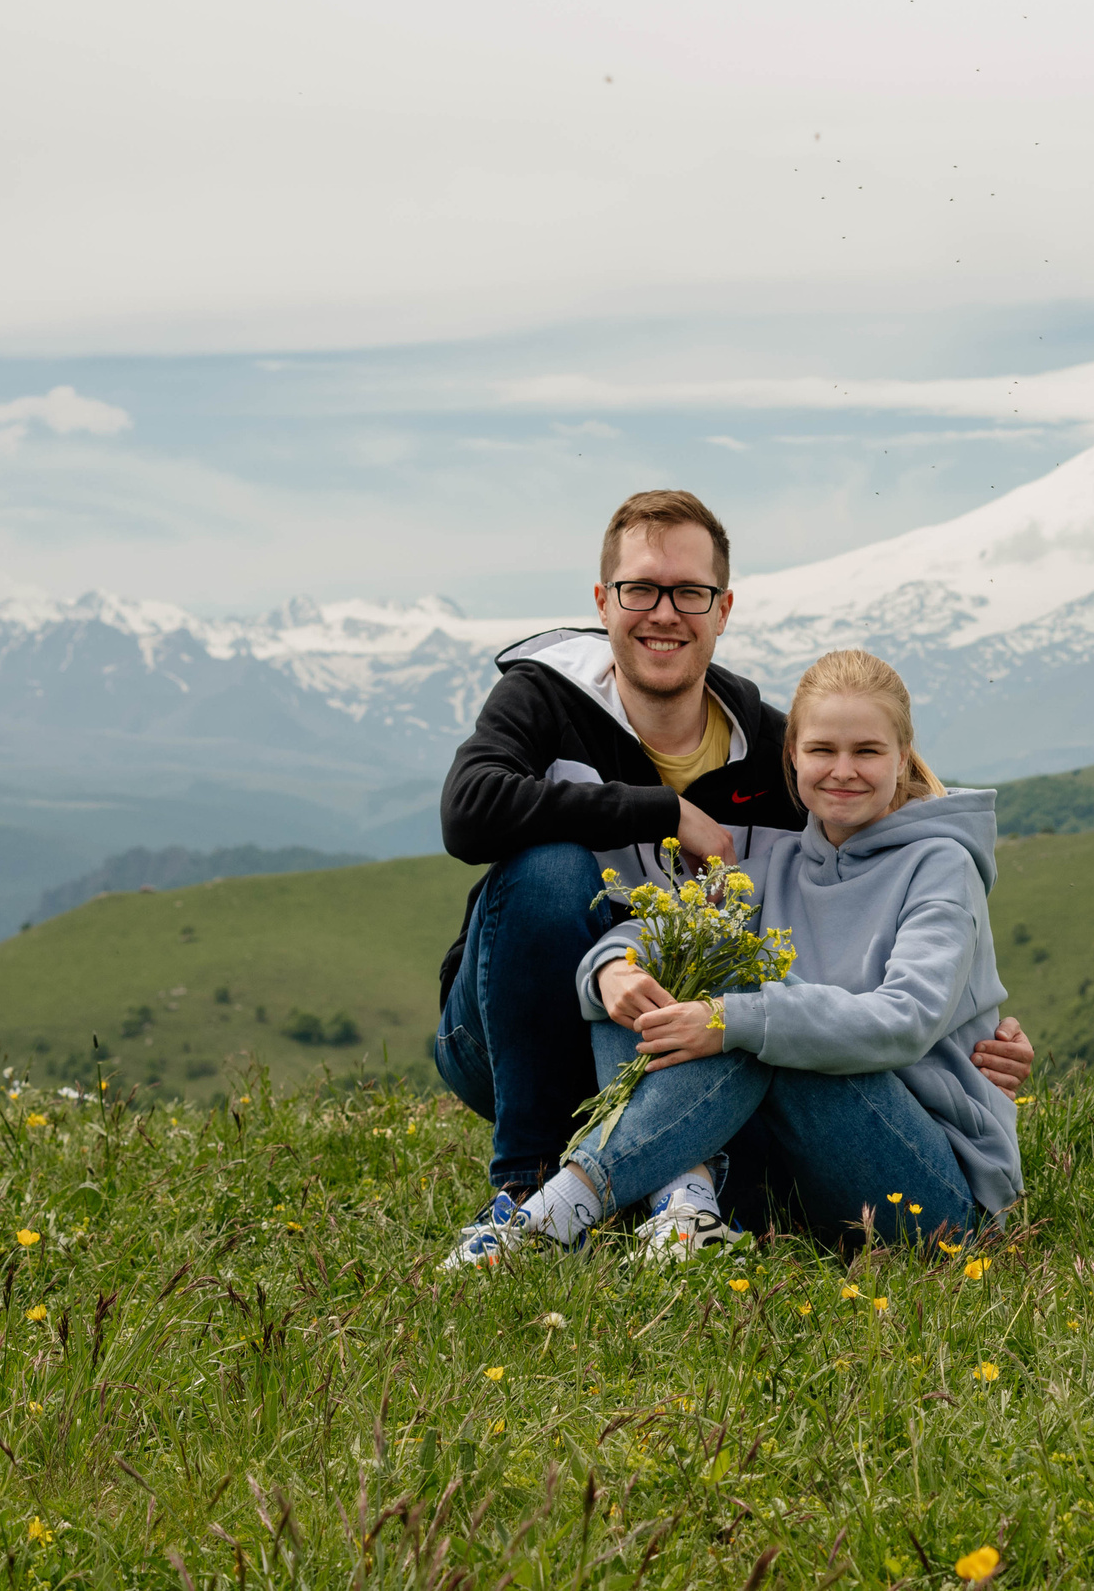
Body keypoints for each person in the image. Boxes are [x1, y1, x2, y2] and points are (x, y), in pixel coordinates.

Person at [432, 492, 1031, 1241]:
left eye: (689, 591)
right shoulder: (548, 700)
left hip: (883, 1144)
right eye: (641, 589)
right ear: (603, 600)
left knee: (752, 1020)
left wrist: (977, 1029)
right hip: (512, 1033)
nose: (664, 612)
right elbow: (469, 813)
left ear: (723, 609)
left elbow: (907, 958)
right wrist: (612, 956)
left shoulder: (802, 782)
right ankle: (550, 1192)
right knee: (581, 905)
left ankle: (626, 1203)